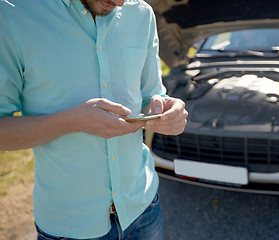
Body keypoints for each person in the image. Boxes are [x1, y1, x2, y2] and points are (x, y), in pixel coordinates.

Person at [0, 0, 188, 239]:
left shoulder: (142, 14)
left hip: (144, 208)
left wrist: (169, 109)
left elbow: (151, 96)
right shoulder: (14, 15)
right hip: (70, 227)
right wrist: (72, 121)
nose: (120, 3)